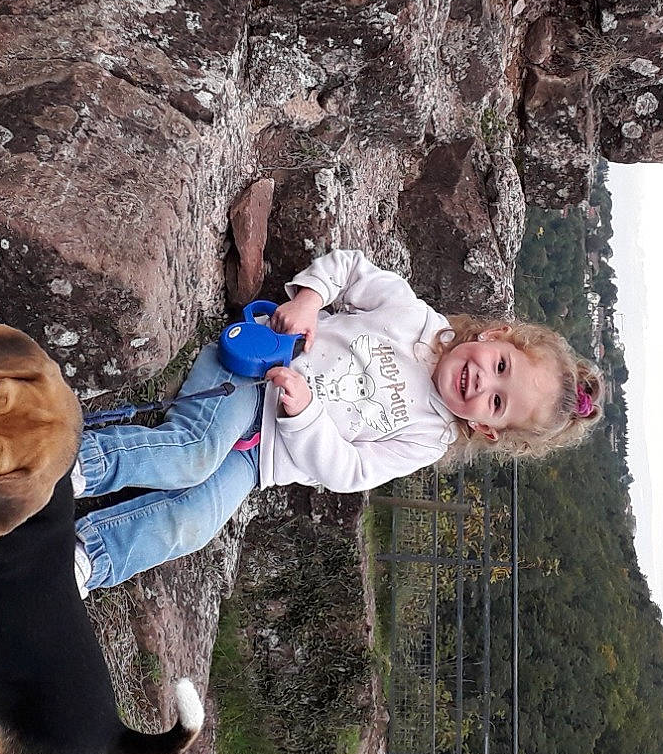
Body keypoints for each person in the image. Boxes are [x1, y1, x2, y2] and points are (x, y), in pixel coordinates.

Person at [72, 248, 606, 593]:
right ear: (496, 336)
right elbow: (350, 270)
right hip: (254, 371)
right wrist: (310, 301)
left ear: (488, 430)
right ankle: (75, 466)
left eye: (497, 403)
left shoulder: (428, 439)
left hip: (260, 460)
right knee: (194, 453)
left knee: (196, 519)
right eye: (501, 367)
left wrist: (306, 414)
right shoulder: (413, 318)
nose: (482, 382)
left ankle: (86, 557)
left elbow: (350, 471)